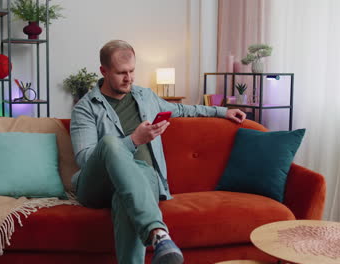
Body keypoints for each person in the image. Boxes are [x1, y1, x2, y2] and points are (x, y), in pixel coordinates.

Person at [70, 40, 246, 264]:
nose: (129, 79)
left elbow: (183, 109)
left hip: (145, 179)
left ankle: (159, 237)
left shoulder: (145, 96)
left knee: (129, 195)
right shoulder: (86, 107)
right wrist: (135, 140)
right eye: (121, 73)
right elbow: (86, 158)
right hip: (98, 186)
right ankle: (157, 231)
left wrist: (222, 111)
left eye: (132, 71)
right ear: (104, 71)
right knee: (109, 143)